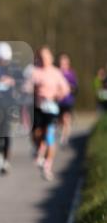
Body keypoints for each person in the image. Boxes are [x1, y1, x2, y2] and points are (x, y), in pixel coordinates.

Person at [30, 46, 70, 181]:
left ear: (51, 58)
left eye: (46, 57)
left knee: (49, 136)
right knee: (37, 134)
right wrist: (34, 90)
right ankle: (40, 150)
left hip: (52, 108)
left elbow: (66, 89)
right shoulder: (35, 72)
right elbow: (25, 87)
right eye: (42, 57)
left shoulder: (56, 72)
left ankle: (48, 165)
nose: (44, 59)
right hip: (38, 108)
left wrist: (57, 95)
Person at [0, 42, 24, 175]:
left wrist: (14, 82)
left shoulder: (13, 68)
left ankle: (6, 160)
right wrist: (0, 80)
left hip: (9, 106)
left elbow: (21, 81)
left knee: (7, 132)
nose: (4, 61)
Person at [57, 52, 78, 145]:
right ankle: (63, 133)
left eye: (65, 63)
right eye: (62, 63)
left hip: (68, 100)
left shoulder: (71, 73)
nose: (63, 65)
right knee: (60, 120)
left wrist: (69, 87)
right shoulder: (56, 72)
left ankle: (64, 138)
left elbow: (75, 87)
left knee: (66, 119)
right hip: (58, 101)